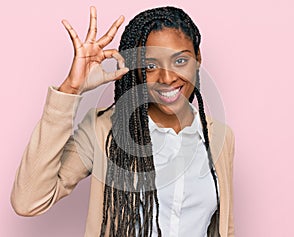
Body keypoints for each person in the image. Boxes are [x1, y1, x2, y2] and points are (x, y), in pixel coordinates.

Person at [11, 5, 235, 237]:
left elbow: (223, 229)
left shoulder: (219, 137)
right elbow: (28, 201)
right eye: (150, 66)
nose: (167, 78)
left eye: (180, 61)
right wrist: (71, 88)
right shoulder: (103, 130)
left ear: (197, 59)